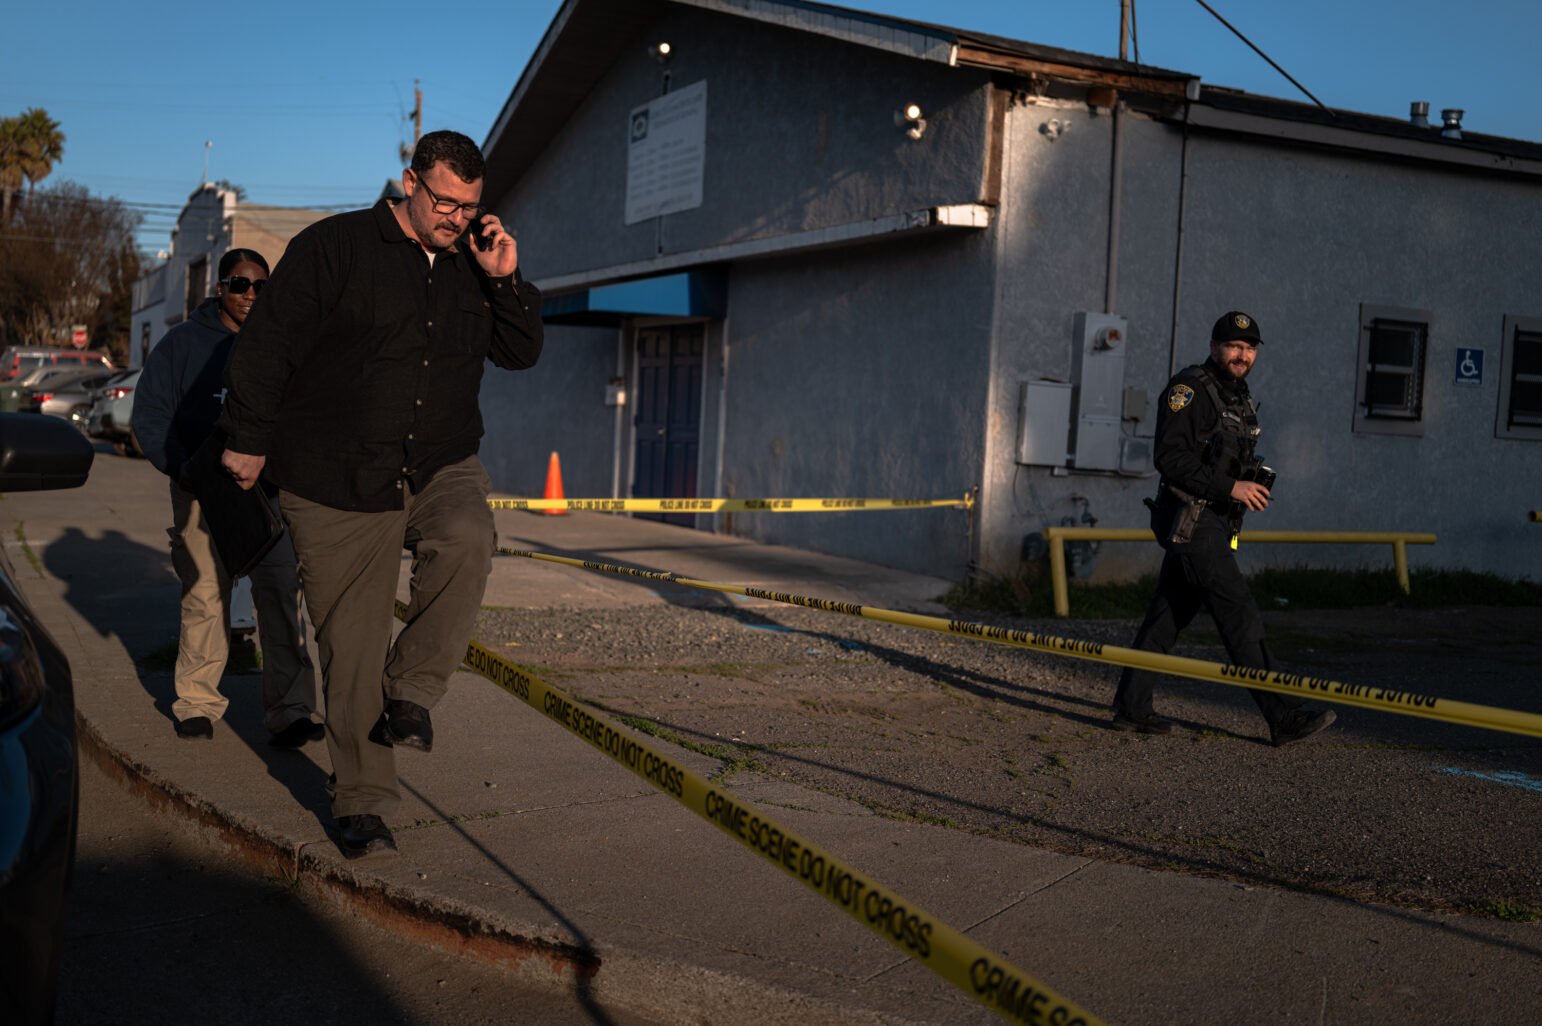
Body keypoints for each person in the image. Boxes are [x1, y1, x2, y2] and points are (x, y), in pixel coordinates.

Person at [217, 130, 544, 859]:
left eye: (470, 206)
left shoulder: (475, 266)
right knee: (351, 644)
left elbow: (522, 352)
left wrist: (505, 278)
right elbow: (268, 344)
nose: (456, 217)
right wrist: (247, 435)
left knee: (468, 537)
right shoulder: (333, 249)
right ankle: (362, 800)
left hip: (438, 463)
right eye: (444, 201)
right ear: (409, 181)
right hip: (336, 474)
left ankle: (413, 692)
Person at [1111, 311, 1336, 747]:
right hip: (1194, 522)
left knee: (1167, 617)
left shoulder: (1237, 396)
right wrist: (1232, 486)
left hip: (1213, 522)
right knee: (1240, 613)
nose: (1243, 355)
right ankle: (1283, 716)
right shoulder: (1189, 390)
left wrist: (1245, 484)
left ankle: (1131, 708)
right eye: (1234, 346)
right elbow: (1170, 459)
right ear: (1215, 346)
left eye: (1250, 348)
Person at [132, 248, 323, 747]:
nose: (251, 296)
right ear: (220, 288)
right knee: (205, 594)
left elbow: (306, 417)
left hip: (267, 494)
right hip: (202, 492)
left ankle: (292, 711)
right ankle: (196, 702)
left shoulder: (285, 345)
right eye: (240, 285)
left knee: (281, 595)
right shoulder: (181, 345)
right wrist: (185, 472)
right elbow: (150, 419)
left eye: (261, 286)